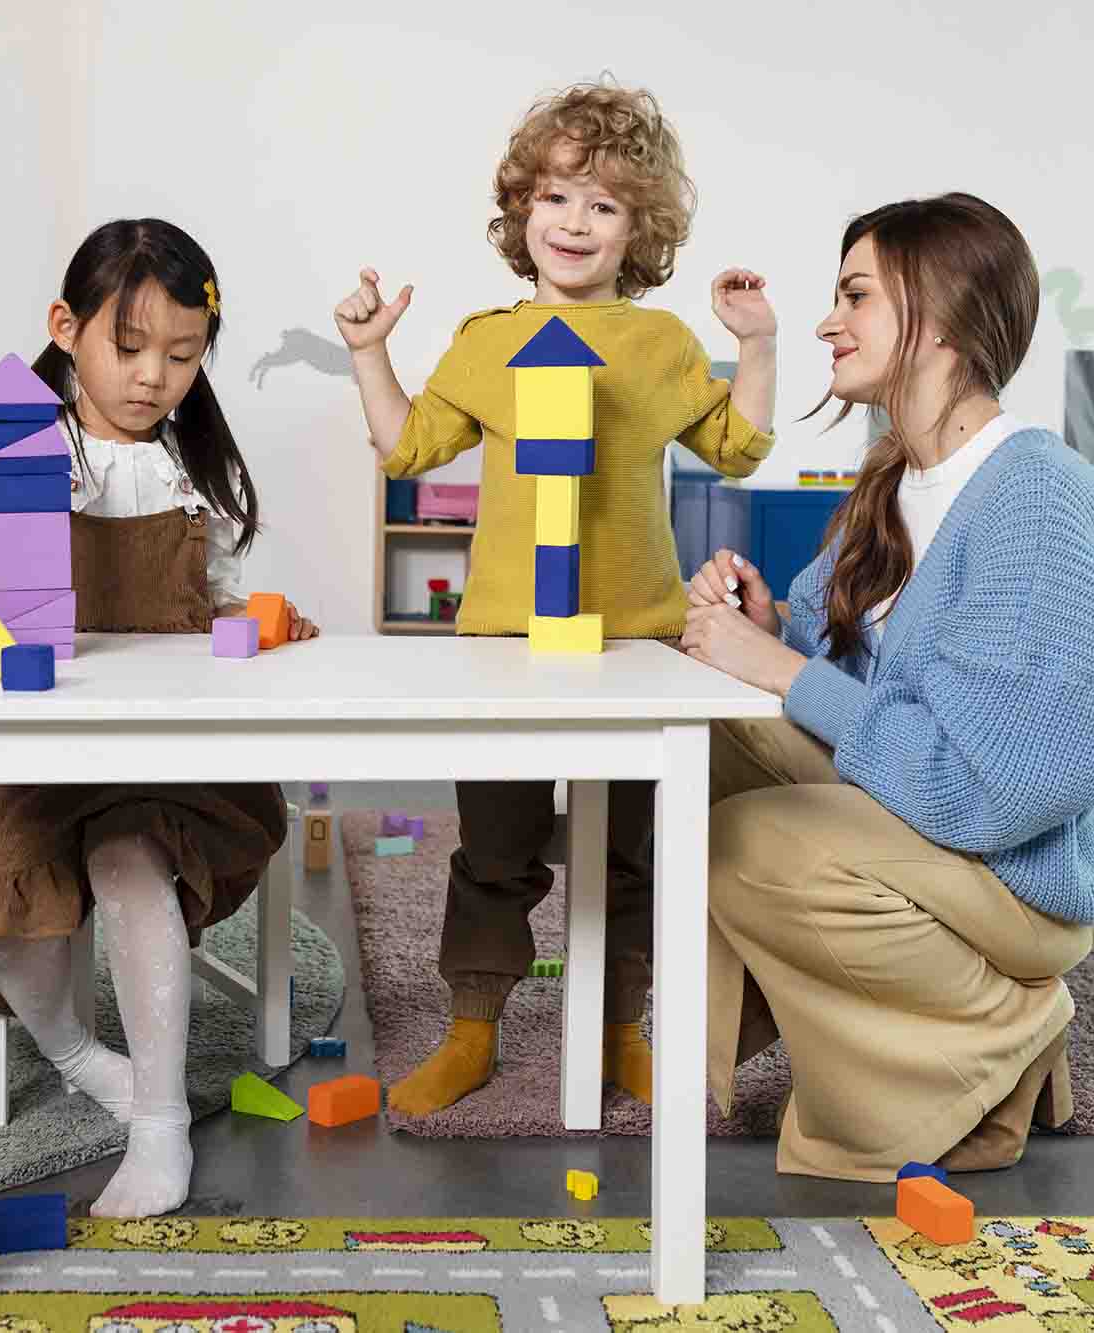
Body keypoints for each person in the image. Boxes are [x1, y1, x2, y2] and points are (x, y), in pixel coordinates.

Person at [0, 218, 319, 1216]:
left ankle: (158, 1122)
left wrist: (260, 626)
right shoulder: (22, 444)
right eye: (128, 346)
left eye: (182, 356)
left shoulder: (194, 471)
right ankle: (74, 1050)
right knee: (17, 918)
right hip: (54, 750)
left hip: (180, 761)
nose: (153, 377)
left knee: (126, 862)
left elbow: (212, 602)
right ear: (66, 326)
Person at [679, 192, 1094, 1179]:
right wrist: (772, 635)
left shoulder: (1032, 494)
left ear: (935, 312)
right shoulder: (891, 479)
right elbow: (849, 676)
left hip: (1012, 875)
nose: (824, 322)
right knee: (694, 750)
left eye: (854, 295)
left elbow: (995, 788)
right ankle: (728, 1045)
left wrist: (777, 670)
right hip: (927, 830)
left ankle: (996, 1032)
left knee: (753, 843)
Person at [331, 79, 778, 1115]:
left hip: (634, 643)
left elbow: (738, 447)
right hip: (506, 641)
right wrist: (367, 353)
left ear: (639, 232)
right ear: (520, 211)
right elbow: (406, 445)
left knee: (627, 855)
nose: (574, 221)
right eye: (556, 198)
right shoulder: (484, 338)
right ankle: (472, 1029)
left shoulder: (661, 344)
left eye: (604, 205)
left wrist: (753, 341)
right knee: (493, 847)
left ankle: (622, 1026)